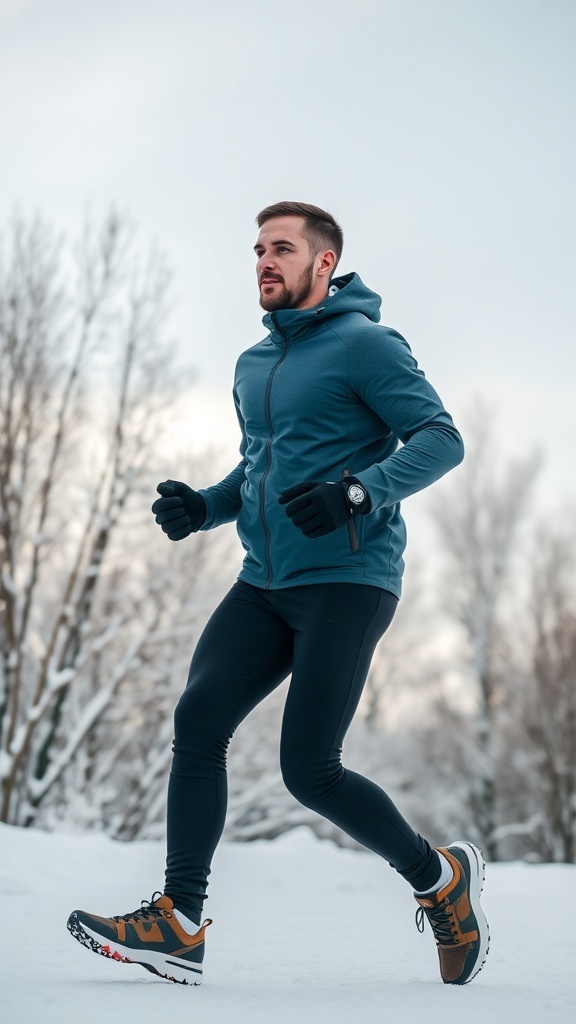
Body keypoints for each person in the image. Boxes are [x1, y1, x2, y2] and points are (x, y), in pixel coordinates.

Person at [67, 201, 489, 987]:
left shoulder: (366, 346)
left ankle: (440, 880)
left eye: (283, 248)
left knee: (309, 770)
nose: (265, 260)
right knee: (198, 720)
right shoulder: (253, 363)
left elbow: (442, 439)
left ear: (323, 263)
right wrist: (206, 506)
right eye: (259, 248)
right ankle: (180, 922)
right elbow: (260, 467)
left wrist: (359, 493)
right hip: (263, 582)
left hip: (348, 581)